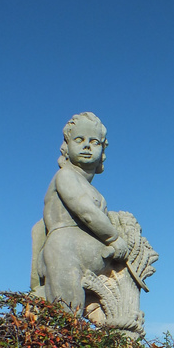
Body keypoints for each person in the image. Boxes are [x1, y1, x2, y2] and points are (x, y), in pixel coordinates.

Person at [34, 112, 129, 313]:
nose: (87, 146)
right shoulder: (66, 176)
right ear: (66, 147)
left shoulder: (97, 193)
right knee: (65, 317)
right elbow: (86, 212)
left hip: (90, 261)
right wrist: (113, 237)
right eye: (79, 140)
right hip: (65, 253)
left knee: (94, 318)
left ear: (102, 150)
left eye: (94, 142)